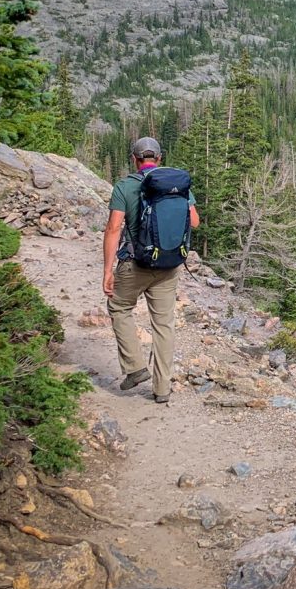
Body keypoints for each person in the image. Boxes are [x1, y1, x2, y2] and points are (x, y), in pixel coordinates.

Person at [102, 137, 199, 403]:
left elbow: (113, 229)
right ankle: (162, 389)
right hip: (168, 265)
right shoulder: (176, 184)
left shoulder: (125, 186)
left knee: (119, 308)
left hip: (135, 264)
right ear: (159, 158)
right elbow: (195, 221)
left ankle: (135, 368)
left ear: (134, 159)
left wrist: (108, 270)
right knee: (164, 325)